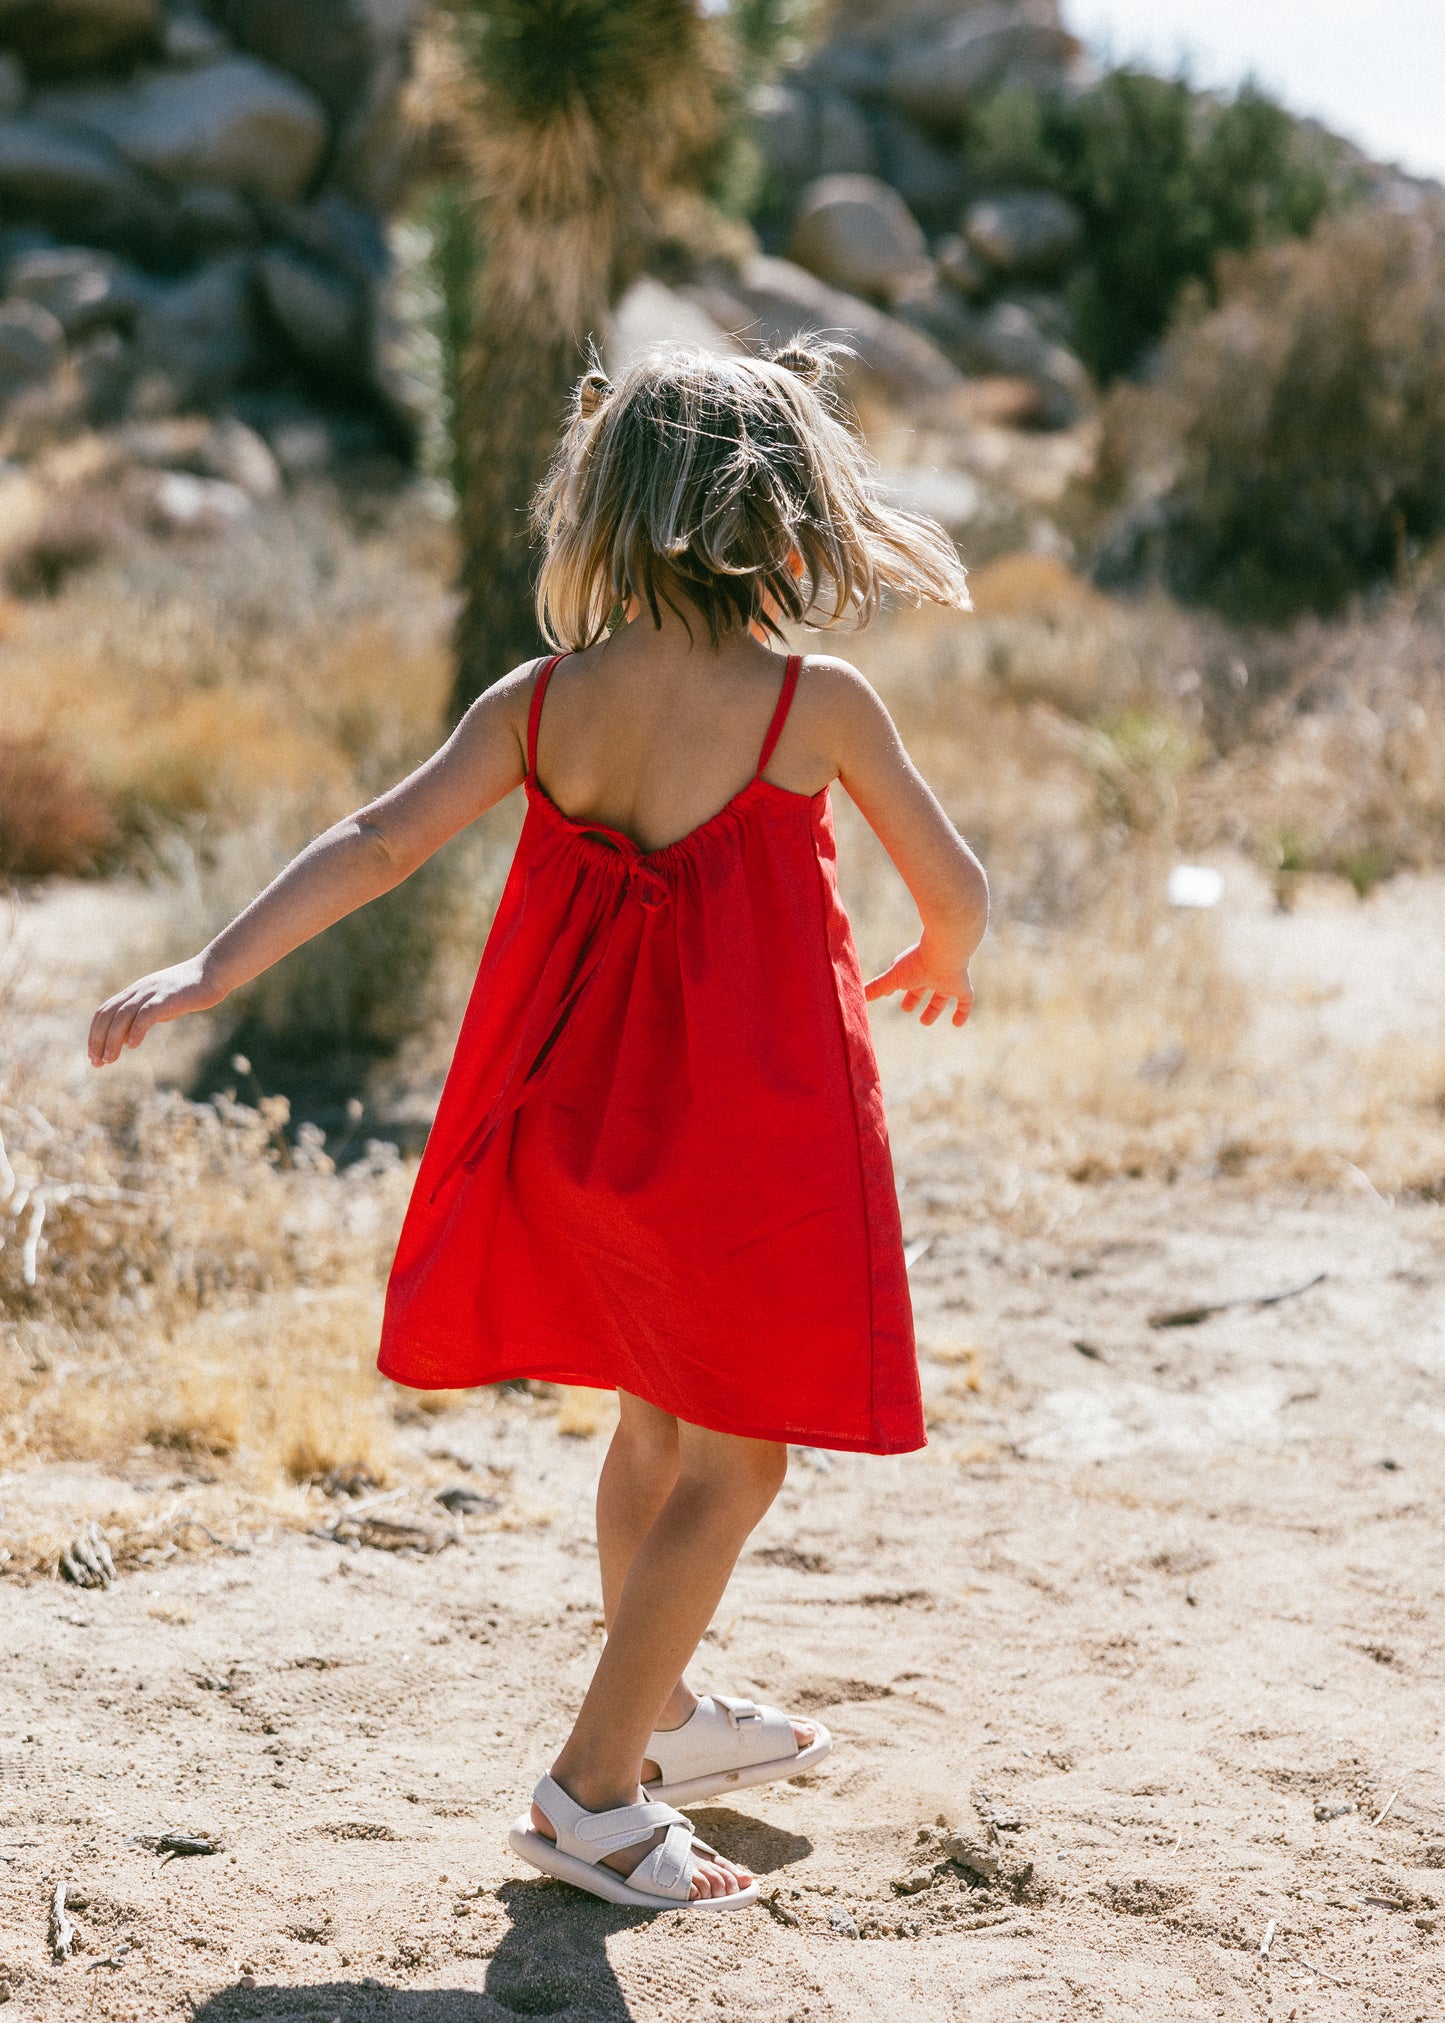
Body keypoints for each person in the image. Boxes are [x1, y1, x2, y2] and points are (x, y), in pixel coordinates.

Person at [88, 343, 988, 1914]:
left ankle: (668, 1717)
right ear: (785, 518)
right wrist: (944, 957)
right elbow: (956, 886)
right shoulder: (810, 703)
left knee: (655, 1417)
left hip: (577, 1122)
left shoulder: (542, 699)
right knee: (738, 1461)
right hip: (744, 1143)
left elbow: (379, 843)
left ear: (609, 511)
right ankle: (589, 1792)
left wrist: (211, 965)